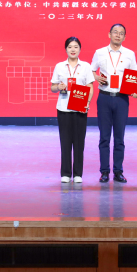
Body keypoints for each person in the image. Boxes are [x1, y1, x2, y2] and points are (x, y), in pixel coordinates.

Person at [91, 23, 137, 183]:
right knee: (104, 137)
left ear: (124, 37)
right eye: (115, 32)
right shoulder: (99, 52)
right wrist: (96, 77)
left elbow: (134, 75)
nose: (118, 35)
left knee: (119, 138)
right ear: (109, 34)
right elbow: (91, 70)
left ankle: (118, 171)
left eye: (121, 33)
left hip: (121, 99)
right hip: (104, 97)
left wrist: (134, 90)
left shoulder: (130, 54)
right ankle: (104, 171)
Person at [50, 37, 95, 183]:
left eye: (76, 47)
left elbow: (90, 87)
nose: (73, 49)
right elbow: (52, 87)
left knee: (79, 142)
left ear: (80, 49)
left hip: (80, 108)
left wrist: (87, 103)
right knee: (65, 142)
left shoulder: (86, 66)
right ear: (66, 49)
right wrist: (58, 87)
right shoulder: (59, 66)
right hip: (63, 108)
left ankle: (77, 174)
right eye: (70, 47)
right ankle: (65, 173)